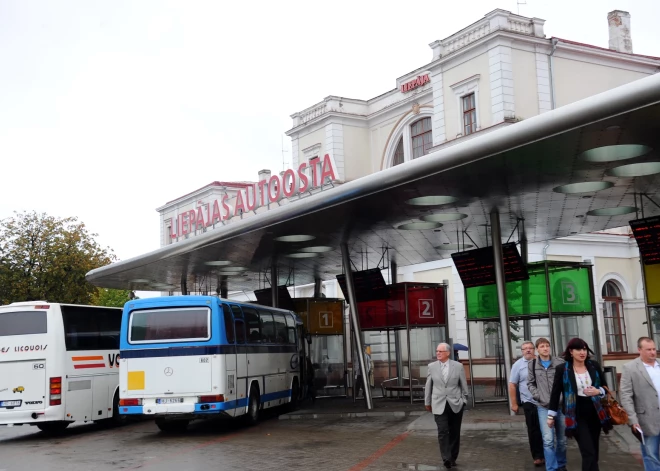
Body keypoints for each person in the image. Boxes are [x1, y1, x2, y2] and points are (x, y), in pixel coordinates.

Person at [548, 338, 612, 471]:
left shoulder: (593, 365)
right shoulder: (563, 369)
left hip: (595, 412)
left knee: (594, 451)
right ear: (571, 352)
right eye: (578, 349)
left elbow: (605, 387)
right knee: (588, 451)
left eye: (584, 349)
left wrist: (598, 390)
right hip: (576, 414)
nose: (582, 352)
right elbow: (555, 393)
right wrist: (551, 415)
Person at [424, 342, 468, 469]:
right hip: (438, 403)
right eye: (437, 351)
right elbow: (428, 385)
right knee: (443, 431)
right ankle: (446, 458)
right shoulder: (432, 367)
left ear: (448, 353)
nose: (437, 353)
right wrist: (427, 402)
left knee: (454, 432)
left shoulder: (458, 366)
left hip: (455, 403)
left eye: (440, 351)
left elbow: (463, 385)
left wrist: (464, 400)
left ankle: (453, 457)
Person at [620, 337, 660, 470]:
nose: (653, 352)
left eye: (654, 349)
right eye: (648, 350)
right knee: (650, 454)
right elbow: (625, 395)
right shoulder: (630, 368)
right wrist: (632, 419)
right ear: (639, 350)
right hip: (646, 419)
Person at [528, 338, 567, 471]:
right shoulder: (533, 364)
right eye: (542, 346)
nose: (545, 348)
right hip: (543, 407)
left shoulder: (560, 362)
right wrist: (537, 396)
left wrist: (563, 397)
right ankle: (551, 468)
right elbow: (530, 383)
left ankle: (561, 464)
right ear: (537, 349)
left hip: (560, 407)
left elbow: (566, 382)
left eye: (547, 346)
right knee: (548, 440)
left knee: (562, 441)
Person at [510, 340, 545, 467]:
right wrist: (514, 404)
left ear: (534, 350)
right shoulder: (518, 365)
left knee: (546, 429)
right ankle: (537, 456)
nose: (528, 350)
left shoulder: (542, 362)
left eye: (530, 348)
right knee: (533, 429)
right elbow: (512, 385)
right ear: (522, 351)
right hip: (528, 401)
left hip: (544, 401)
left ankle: (547, 453)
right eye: (525, 348)